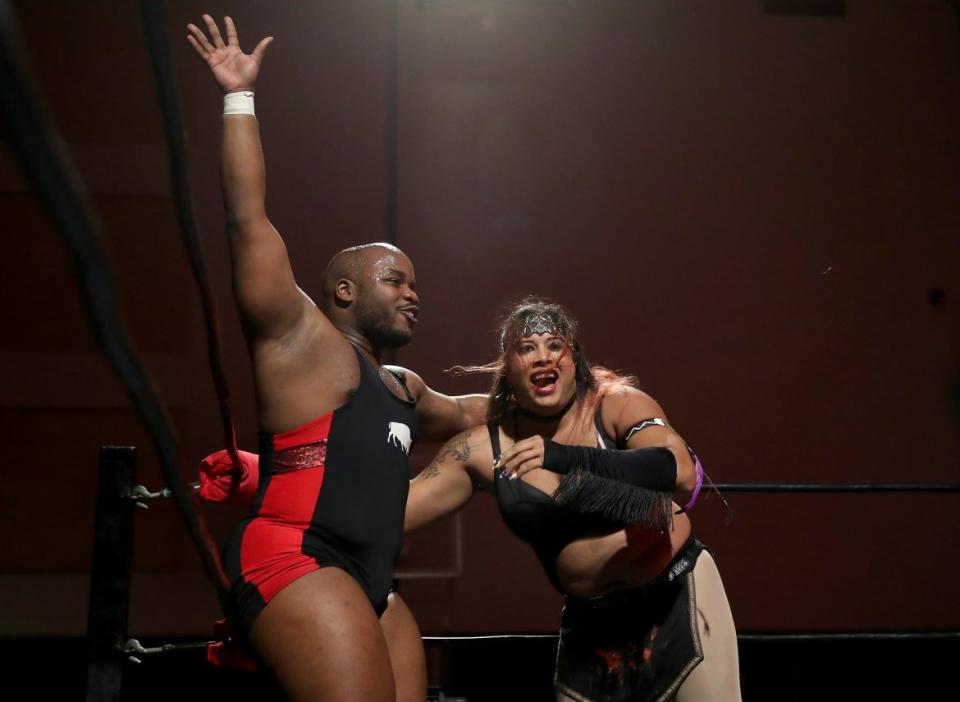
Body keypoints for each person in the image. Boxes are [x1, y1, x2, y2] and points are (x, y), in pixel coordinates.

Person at [186, 15, 486, 702]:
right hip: (296, 557)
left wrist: (584, 386)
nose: (414, 295)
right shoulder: (298, 337)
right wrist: (238, 96)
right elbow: (246, 220)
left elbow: (474, 410)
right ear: (344, 291)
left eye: (415, 284)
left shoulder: (405, 387)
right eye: (396, 281)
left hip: (371, 583)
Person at [405, 299, 741, 701]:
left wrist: (560, 456)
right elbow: (397, 513)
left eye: (554, 345)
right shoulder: (484, 447)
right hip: (591, 624)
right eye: (526, 348)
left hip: (675, 599)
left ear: (574, 357)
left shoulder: (615, 404)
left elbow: (679, 472)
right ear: (507, 367)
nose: (542, 357)